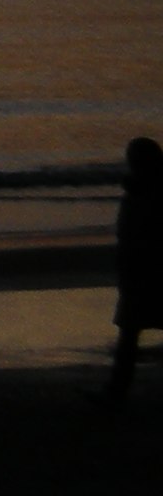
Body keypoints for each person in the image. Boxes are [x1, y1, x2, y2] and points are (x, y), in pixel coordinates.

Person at [104, 137, 163, 403]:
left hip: (148, 271)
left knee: (129, 335)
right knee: (128, 334)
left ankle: (117, 394)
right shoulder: (141, 189)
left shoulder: (148, 192)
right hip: (139, 270)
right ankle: (116, 392)